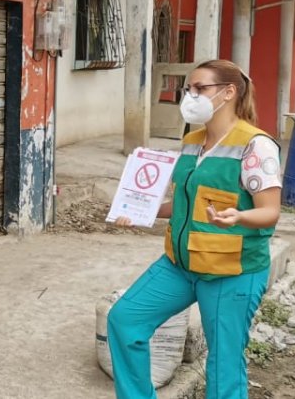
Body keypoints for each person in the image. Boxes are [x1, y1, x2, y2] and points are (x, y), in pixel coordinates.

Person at [107, 60, 282, 399]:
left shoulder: (255, 145)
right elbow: (184, 203)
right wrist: (141, 211)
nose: (190, 95)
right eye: (188, 89)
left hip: (231, 270)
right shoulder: (192, 140)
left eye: (200, 88)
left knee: (223, 364)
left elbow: (270, 212)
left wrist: (238, 217)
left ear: (228, 92)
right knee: (125, 320)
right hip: (181, 264)